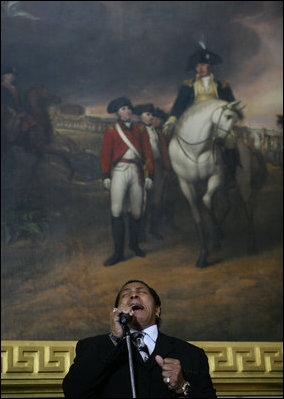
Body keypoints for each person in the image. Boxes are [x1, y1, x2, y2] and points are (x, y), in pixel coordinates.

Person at [63, 279, 217, 398]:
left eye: (141, 292)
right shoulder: (92, 347)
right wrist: (114, 338)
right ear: (116, 311)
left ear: (157, 310)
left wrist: (183, 386)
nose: (133, 295)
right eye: (125, 294)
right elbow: (73, 391)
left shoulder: (192, 354)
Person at [163, 43, 241, 180]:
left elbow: (231, 106)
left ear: (209, 66)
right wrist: (172, 119)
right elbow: (179, 105)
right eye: (198, 65)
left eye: (203, 65)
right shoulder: (188, 85)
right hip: (193, 122)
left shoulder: (222, 86)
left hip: (217, 122)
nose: (200, 68)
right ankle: (175, 173)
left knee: (230, 141)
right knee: (175, 141)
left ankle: (230, 174)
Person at [101, 97, 154, 267]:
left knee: (137, 211)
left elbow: (147, 153)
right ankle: (118, 253)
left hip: (136, 171)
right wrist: (105, 175)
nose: (127, 111)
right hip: (118, 172)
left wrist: (149, 175)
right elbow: (105, 154)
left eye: (129, 108)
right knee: (117, 210)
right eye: (123, 109)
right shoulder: (111, 130)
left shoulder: (140, 129)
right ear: (117, 112)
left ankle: (134, 245)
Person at [133, 104, 170, 240]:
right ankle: (140, 232)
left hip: (158, 167)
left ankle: (154, 229)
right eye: (148, 114)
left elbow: (163, 151)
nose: (151, 117)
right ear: (141, 116)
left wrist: (166, 168)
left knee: (157, 199)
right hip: (144, 168)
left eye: (152, 115)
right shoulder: (136, 130)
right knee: (143, 200)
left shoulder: (157, 132)